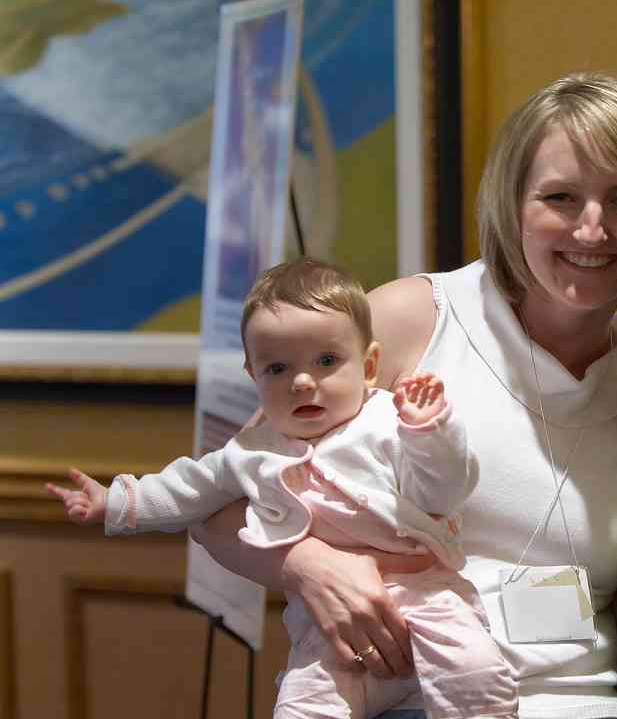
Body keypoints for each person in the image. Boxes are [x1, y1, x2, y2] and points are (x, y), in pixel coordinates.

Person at [190, 72, 617, 719]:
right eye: (561, 197)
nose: (592, 230)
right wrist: (307, 563)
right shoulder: (412, 322)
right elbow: (218, 504)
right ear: (513, 205)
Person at [46, 258, 518, 719]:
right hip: (332, 631)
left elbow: (445, 490)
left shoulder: (388, 423)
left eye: (327, 361)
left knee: (474, 672)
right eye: (278, 369)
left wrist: (429, 431)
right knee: (303, 702)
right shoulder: (251, 450)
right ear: (253, 375)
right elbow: (188, 488)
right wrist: (115, 502)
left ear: (369, 364)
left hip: (427, 594)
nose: (303, 382)